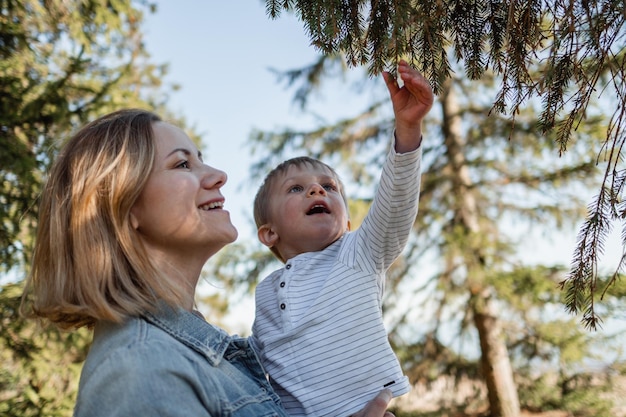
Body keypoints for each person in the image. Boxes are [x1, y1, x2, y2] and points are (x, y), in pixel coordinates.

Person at [19, 108, 398, 417]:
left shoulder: (199, 353)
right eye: (182, 165)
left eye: (200, 159)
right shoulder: (139, 370)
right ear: (125, 205)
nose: (218, 176)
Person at [251, 60, 434, 417]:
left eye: (329, 187)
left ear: (348, 223)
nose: (317, 189)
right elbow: (257, 362)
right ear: (269, 232)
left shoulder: (356, 253)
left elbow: (394, 206)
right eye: (296, 188)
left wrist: (408, 130)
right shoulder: (266, 292)